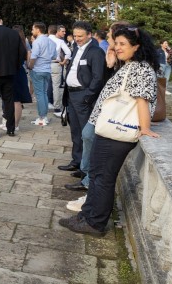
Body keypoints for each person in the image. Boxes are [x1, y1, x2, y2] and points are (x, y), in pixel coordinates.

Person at [59, 25, 160, 236]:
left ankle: (95, 223)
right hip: (109, 130)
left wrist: (145, 128)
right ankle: (88, 214)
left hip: (117, 131)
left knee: (103, 177)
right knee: (97, 174)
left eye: (123, 44)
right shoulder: (131, 65)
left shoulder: (140, 68)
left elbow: (142, 100)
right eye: (116, 43)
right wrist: (112, 62)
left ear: (137, 46)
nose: (117, 47)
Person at [58, 21, 106, 176]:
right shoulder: (77, 48)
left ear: (89, 35)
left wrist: (88, 96)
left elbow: (98, 77)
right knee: (75, 131)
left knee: (86, 134)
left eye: (80, 36)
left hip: (83, 96)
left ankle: (85, 168)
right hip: (71, 95)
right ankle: (77, 162)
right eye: (75, 35)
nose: (77, 38)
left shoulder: (95, 51)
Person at [28, 22, 57, 126]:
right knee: (43, 93)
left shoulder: (37, 42)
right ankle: (44, 116)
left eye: (33, 29)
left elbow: (34, 56)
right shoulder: (51, 42)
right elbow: (54, 56)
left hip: (38, 70)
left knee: (39, 94)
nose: (32, 31)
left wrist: (30, 66)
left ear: (37, 30)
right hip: (47, 70)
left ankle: (42, 117)